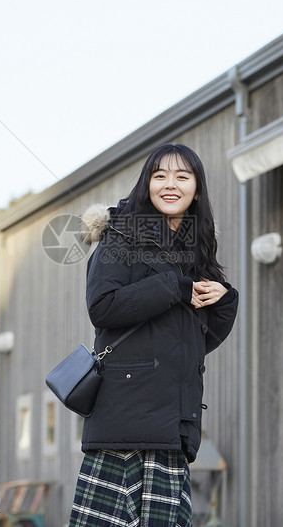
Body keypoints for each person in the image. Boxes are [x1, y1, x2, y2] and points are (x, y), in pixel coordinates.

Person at [70, 143, 239, 526]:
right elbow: (103, 307)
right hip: (125, 426)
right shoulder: (120, 237)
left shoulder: (198, 250)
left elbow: (195, 344)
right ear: (147, 183)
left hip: (172, 429)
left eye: (183, 176)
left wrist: (225, 299)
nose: (170, 184)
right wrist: (174, 287)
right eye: (160, 175)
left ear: (197, 188)